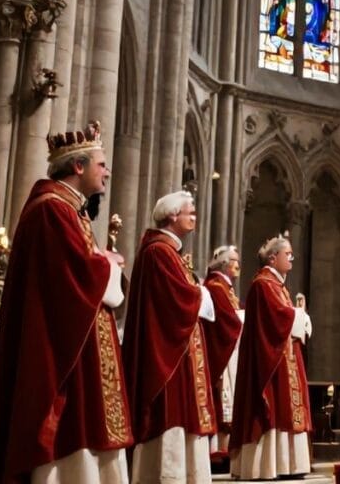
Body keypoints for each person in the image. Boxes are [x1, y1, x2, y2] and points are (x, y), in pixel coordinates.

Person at [0, 121, 133, 483]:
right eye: (102, 163)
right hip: (63, 354)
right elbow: (69, 282)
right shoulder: (52, 210)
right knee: (70, 428)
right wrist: (104, 264)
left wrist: (99, 262)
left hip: (78, 348)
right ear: (79, 166)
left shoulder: (69, 209)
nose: (107, 171)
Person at [123, 191, 217, 484]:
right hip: (166, 352)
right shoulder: (158, 252)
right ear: (173, 216)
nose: (194, 217)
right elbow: (176, 299)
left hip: (180, 348)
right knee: (170, 410)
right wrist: (200, 292)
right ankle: (167, 475)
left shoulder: (168, 252)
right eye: (190, 212)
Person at [230, 236, 313, 479]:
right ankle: (267, 466)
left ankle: (286, 464)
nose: (291, 258)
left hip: (283, 354)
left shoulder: (277, 285)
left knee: (287, 407)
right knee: (274, 406)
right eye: (288, 254)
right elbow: (276, 319)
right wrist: (298, 315)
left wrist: (297, 315)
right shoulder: (263, 284)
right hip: (271, 359)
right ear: (272, 257)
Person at [203, 245, 244, 457]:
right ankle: (218, 448)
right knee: (223, 396)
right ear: (225, 264)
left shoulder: (225, 287)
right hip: (224, 349)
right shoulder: (217, 287)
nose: (238, 265)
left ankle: (224, 446)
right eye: (235, 260)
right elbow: (228, 320)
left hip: (232, 348)